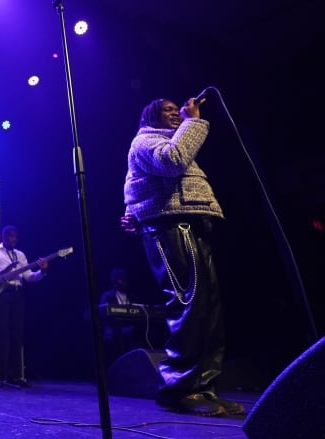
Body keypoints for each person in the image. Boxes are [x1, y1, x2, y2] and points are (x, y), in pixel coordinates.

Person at [120, 96, 244, 416]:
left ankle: (204, 388)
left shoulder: (172, 139)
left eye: (178, 110)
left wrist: (132, 210)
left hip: (192, 226)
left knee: (209, 311)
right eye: (169, 111)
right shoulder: (146, 140)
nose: (176, 114)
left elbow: (136, 187)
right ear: (152, 116)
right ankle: (179, 389)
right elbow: (172, 161)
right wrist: (193, 121)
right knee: (189, 307)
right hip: (172, 228)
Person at [0, 225, 48, 386]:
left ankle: (15, 374)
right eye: (10, 236)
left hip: (17, 293)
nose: (13, 239)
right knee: (1, 332)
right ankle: (0, 373)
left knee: (17, 332)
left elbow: (29, 277)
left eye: (15, 237)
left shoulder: (21, 255)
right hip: (1, 292)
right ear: (3, 236)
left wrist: (42, 272)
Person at [98, 267, 142, 366]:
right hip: (114, 332)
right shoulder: (107, 296)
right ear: (115, 281)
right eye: (120, 280)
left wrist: (132, 327)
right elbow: (103, 315)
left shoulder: (133, 297)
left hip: (130, 332)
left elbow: (138, 315)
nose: (124, 282)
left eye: (124, 279)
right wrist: (117, 329)